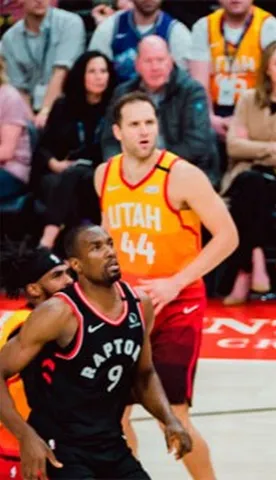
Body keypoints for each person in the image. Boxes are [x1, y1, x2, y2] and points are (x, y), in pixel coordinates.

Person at [94, 91, 238, 479]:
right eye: (135, 124)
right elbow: (110, 237)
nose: (144, 131)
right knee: (114, 418)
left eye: (149, 123)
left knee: (172, 417)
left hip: (177, 305)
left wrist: (176, 283)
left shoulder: (182, 175)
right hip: (125, 308)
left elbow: (228, 236)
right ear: (118, 131)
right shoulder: (104, 174)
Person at [0, 225, 192, 480]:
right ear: (77, 265)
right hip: (61, 448)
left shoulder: (139, 305)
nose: (109, 252)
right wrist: (25, 435)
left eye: (110, 244)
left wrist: (169, 419)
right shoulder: (58, 313)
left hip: (110, 442)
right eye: (96, 247)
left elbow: (144, 375)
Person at [0, 241, 74, 479]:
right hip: (18, 447)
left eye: (67, 273)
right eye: (58, 276)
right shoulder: (32, 329)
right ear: (34, 289)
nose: (69, 281)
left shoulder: (12, 316)